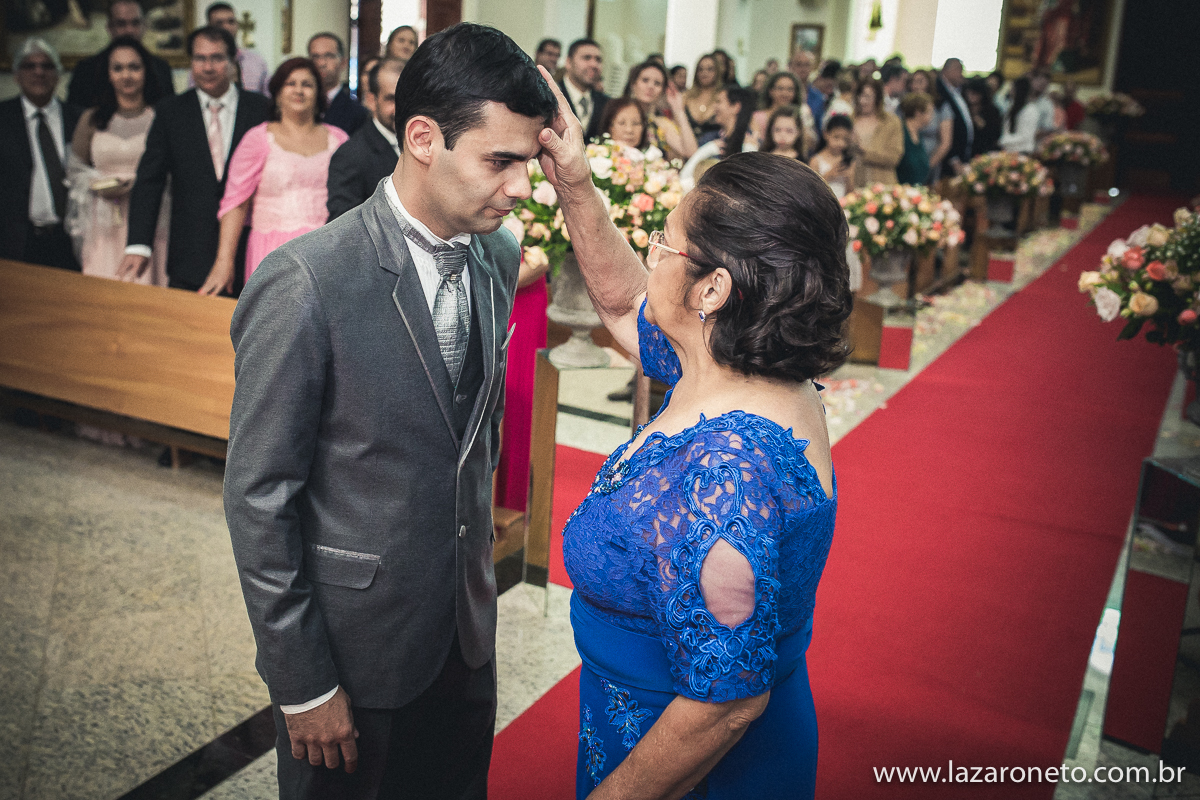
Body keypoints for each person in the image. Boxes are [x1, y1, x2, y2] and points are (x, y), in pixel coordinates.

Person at [224, 22, 557, 799]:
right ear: (422, 138)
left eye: (528, 163)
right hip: (352, 653)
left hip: (465, 637)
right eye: (500, 161)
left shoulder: (499, 254)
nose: (519, 189)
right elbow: (258, 496)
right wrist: (301, 682)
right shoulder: (307, 281)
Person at [536, 72, 849, 800]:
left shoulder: (726, 469)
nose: (649, 253)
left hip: (686, 762)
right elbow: (620, 302)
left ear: (712, 290)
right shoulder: (738, 366)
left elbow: (725, 701)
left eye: (662, 243)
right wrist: (577, 185)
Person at [121, 26, 270, 291]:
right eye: (200, 59)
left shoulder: (261, 109)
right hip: (189, 254)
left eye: (217, 58)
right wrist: (138, 244)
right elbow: (149, 180)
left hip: (250, 249)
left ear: (233, 60)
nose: (208, 67)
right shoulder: (171, 112)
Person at [203, 57, 348, 292]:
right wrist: (224, 261)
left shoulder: (339, 139)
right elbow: (235, 203)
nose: (299, 90)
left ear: (318, 94)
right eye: (290, 83)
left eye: (307, 84)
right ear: (277, 93)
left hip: (329, 251)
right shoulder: (258, 139)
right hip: (273, 251)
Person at [66, 36, 169, 285]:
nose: (127, 75)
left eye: (134, 67)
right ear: (108, 74)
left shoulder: (162, 117)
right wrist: (99, 183)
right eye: (118, 68)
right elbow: (74, 170)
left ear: (146, 71)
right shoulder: (92, 119)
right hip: (104, 219)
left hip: (152, 218)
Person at [1, 37, 83, 272]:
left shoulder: (79, 119)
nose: (39, 72)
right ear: (16, 74)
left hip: (72, 240)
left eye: (47, 66)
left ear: (58, 74)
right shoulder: (3, 119)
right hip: (18, 243)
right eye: (29, 66)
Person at [327, 57, 403, 220]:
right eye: (391, 99)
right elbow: (344, 225)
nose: (402, 108)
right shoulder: (350, 155)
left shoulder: (427, 143)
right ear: (371, 100)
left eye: (407, 99)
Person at [66, 0, 175, 110]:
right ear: (109, 28)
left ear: (144, 26)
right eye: (121, 24)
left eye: (135, 23)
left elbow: (169, 117)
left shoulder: (161, 68)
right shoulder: (85, 70)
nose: (129, 30)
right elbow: (75, 119)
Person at [679, 86, 757, 193]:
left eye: (718, 101)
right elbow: (685, 179)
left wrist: (750, 149)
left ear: (736, 107)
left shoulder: (751, 142)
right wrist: (707, 149)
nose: (714, 106)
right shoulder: (710, 140)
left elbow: (750, 185)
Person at [623, 60, 698, 160]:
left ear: (663, 91)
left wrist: (678, 110)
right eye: (645, 80)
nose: (650, 86)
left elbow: (691, 153)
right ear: (633, 84)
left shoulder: (660, 124)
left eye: (657, 83)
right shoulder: (618, 115)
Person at [199, 3, 271, 95]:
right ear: (209, 27)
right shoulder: (202, 64)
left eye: (231, 22)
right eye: (219, 23)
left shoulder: (256, 61)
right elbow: (193, 101)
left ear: (237, 25)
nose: (227, 27)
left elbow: (268, 98)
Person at [308, 32, 368, 135]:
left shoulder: (357, 113)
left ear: (343, 62)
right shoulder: (298, 104)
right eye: (315, 57)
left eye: (329, 56)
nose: (321, 63)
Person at [852, 78, 903, 187]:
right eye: (859, 96)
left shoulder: (891, 122)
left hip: (882, 186)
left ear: (878, 98)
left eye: (867, 97)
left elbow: (894, 157)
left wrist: (864, 152)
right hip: (854, 184)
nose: (862, 101)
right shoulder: (850, 120)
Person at [750, 71, 813, 155]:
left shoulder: (802, 113)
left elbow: (810, 143)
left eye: (790, 89)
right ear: (771, 91)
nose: (785, 93)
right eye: (780, 88)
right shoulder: (758, 117)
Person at [558, 38, 609, 142]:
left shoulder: (606, 103)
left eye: (598, 60)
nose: (594, 64)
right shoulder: (550, 96)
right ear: (568, 62)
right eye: (587, 58)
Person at [908, 69, 951, 184]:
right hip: (908, 160)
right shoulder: (905, 105)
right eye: (913, 82)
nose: (916, 86)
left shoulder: (940, 106)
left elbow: (945, 142)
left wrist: (928, 165)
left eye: (920, 81)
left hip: (930, 159)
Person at [935, 58, 973, 176]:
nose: (961, 74)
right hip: (948, 159)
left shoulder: (957, 91)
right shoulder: (940, 91)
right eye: (959, 69)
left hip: (962, 155)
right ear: (946, 70)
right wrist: (954, 158)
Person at [808, 114, 855, 198]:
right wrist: (829, 175)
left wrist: (849, 178)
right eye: (836, 137)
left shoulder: (848, 161)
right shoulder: (815, 160)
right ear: (826, 134)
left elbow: (851, 193)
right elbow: (811, 189)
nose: (841, 143)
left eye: (845, 139)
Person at [684, 54, 722, 146]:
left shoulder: (722, 98)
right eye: (700, 69)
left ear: (717, 72)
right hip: (687, 151)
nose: (704, 73)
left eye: (710, 69)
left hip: (714, 154)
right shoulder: (685, 97)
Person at [896, 92, 933, 185]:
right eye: (929, 111)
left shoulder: (918, 134)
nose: (932, 116)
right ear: (918, 113)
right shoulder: (900, 133)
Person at [999, 76, 1040, 154]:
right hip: (1009, 151)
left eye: (1013, 89)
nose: (1010, 91)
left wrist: (1002, 140)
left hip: (1023, 151)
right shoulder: (1012, 106)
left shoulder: (1030, 110)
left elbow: (1025, 136)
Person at [963, 77, 1001, 155]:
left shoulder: (992, 111)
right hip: (964, 150)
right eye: (969, 92)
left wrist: (982, 125)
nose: (971, 96)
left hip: (984, 151)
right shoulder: (963, 109)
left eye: (975, 93)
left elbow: (995, 134)